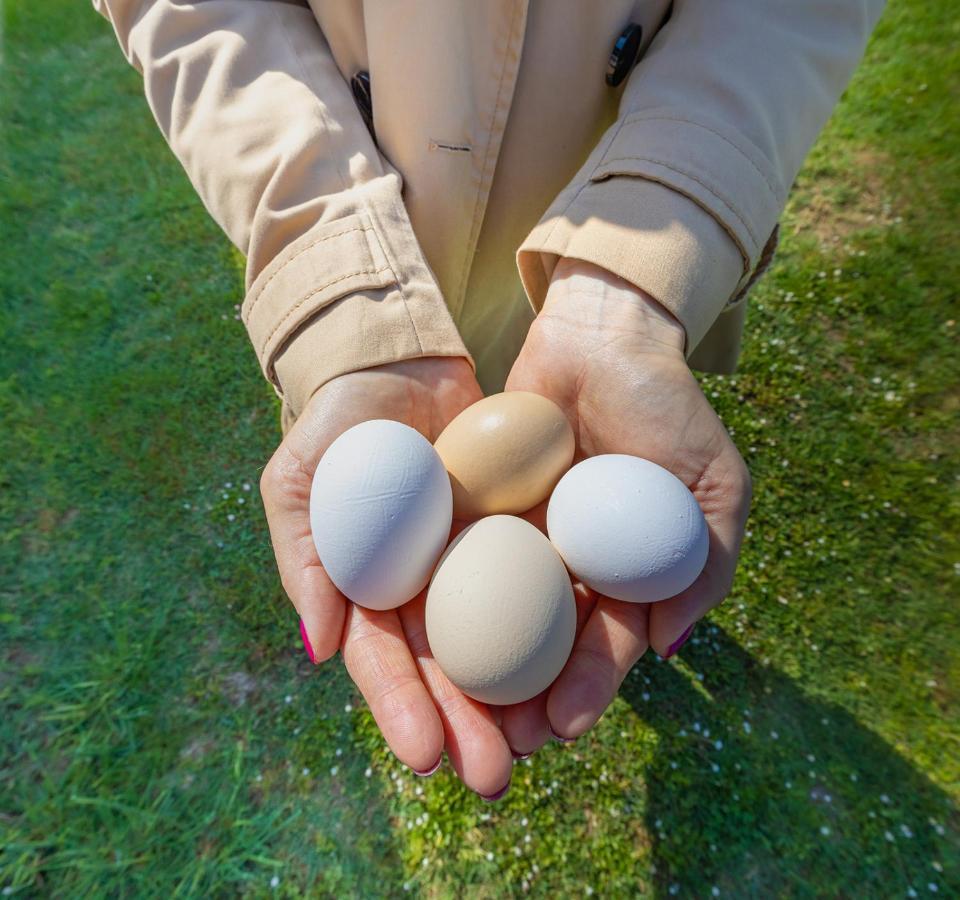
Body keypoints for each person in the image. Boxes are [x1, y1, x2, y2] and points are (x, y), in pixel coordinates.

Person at [94, 0, 884, 800]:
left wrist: (643, 259)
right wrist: (339, 295)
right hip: (361, 199)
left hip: (596, 202)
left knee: (535, 459)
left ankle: (546, 584)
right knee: (501, 488)